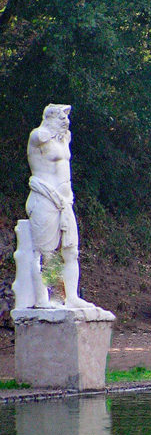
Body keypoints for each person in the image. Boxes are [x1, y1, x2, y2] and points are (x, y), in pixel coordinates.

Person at [24, 103, 93, 309]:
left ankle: (71, 296)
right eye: (62, 118)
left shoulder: (65, 138)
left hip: (65, 202)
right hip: (45, 198)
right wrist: (48, 126)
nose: (66, 122)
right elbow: (40, 135)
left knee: (71, 250)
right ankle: (44, 298)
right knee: (45, 252)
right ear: (50, 118)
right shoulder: (39, 136)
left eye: (67, 118)